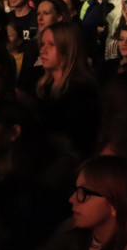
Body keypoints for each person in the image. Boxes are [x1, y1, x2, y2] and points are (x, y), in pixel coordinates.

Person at [35, 21, 101, 158]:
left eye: (51, 45)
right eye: (42, 44)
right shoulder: (43, 87)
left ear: (68, 49)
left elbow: (77, 138)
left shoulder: (82, 91)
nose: (43, 50)